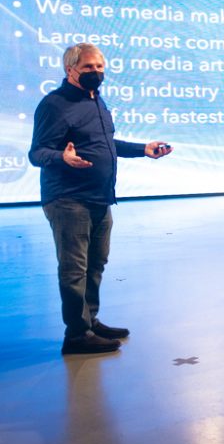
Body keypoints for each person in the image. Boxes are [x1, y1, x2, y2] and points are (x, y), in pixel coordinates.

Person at [28, 42, 174, 355]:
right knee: (74, 270)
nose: (96, 72)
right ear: (70, 70)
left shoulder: (97, 100)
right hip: (68, 200)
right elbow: (37, 153)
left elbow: (105, 144)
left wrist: (143, 149)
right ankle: (77, 335)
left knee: (96, 264)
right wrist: (62, 157)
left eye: (99, 67)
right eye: (88, 67)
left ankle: (90, 322)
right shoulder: (54, 104)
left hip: (100, 198)